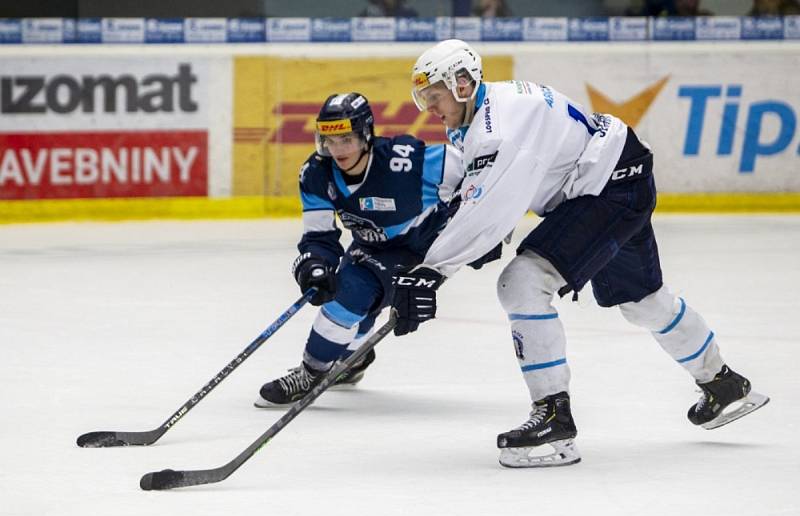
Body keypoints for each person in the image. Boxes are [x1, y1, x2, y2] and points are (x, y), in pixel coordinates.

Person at [392, 39, 769, 467]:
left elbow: (489, 209)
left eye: (434, 97)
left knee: (523, 283)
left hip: (608, 190)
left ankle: (554, 416)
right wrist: (435, 252)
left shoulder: (502, 122)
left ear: (461, 83)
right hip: (618, 176)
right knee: (642, 302)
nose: (429, 109)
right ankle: (723, 382)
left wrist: (432, 272)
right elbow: (475, 197)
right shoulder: (488, 109)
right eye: (424, 99)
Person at [255, 92, 468, 407]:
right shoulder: (316, 173)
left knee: (349, 299)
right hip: (370, 244)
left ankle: (311, 373)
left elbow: (474, 174)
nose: (337, 149)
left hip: (418, 250)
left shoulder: (406, 162)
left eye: (346, 139)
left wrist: (478, 229)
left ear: (366, 135)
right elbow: (319, 235)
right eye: (329, 140)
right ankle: (354, 359)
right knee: (356, 301)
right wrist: (314, 265)